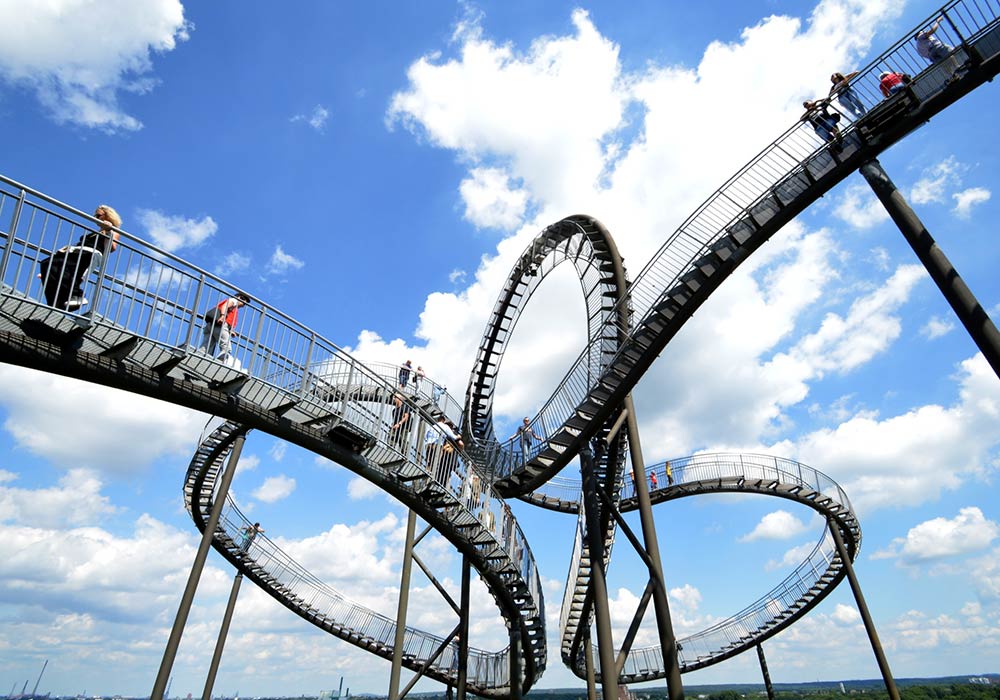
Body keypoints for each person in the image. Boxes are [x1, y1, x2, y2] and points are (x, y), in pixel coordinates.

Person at [39, 204, 122, 311]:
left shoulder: (113, 231)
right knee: (47, 264)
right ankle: (56, 302)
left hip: (89, 254)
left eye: (98, 215)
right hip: (77, 252)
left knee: (72, 273)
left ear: (108, 215)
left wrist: (109, 230)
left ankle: (77, 296)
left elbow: (112, 247)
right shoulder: (96, 232)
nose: (95, 218)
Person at [201, 292, 251, 360]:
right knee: (226, 348)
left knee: (206, 345)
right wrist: (222, 316)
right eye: (244, 303)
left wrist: (231, 330)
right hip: (220, 325)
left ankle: (201, 356)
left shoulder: (233, 304)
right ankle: (220, 361)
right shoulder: (234, 301)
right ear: (240, 298)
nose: (243, 305)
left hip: (211, 324)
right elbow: (225, 306)